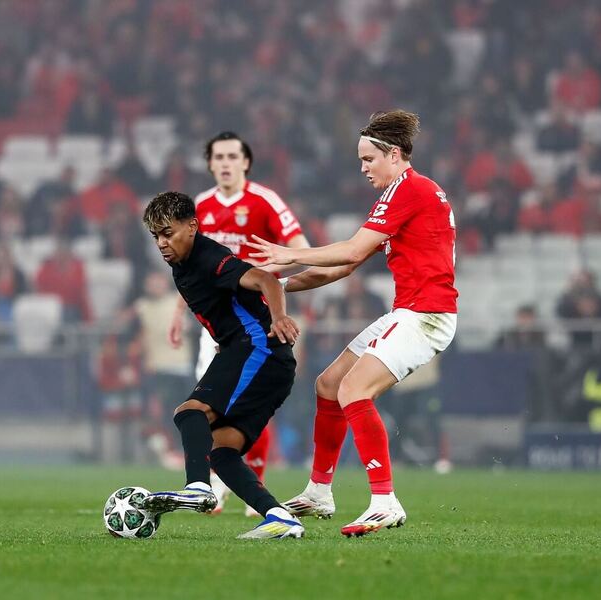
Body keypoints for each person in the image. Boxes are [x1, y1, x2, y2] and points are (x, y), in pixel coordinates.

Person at [247, 110, 458, 537]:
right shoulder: (398, 193)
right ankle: (319, 491)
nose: (362, 168)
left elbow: (348, 251)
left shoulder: (412, 190)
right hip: (408, 312)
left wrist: (289, 254)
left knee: (352, 390)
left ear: (394, 154)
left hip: (427, 315)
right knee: (329, 384)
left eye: (368, 159)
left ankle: (385, 501)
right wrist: (277, 286)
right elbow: (344, 267)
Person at [139, 191, 304, 540]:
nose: (161, 243)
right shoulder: (181, 264)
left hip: (259, 349)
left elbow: (266, 279)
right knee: (221, 451)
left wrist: (278, 318)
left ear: (192, 227)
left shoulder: (209, 257)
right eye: (155, 236)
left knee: (189, 413)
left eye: (168, 233)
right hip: (251, 353)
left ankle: (198, 488)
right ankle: (280, 517)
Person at [168, 131, 311, 516]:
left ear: (246, 162)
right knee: (216, 406)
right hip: (215, 321)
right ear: (211, 164)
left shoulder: (264, 201)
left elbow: (300, 250)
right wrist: (180, 313)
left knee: (223, 401)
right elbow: (191, 271)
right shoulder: (199, 206)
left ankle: (229, 484)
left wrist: (261, 275)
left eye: (234, 155)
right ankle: (218, 483)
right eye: (219, 156)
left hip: (257, 312)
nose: (227, 162)